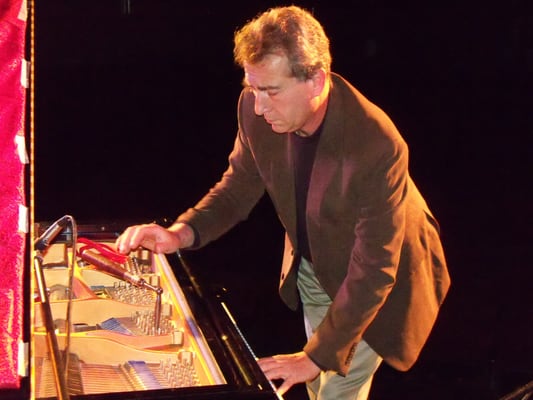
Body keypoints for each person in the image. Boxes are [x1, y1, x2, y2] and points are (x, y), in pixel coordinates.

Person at [116, 6, 450, 400]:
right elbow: (239, 185)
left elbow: (375, 268)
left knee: (333, 387)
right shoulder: (256, 110)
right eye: (253, 88)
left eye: (271, 91)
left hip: (378, 280)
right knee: (316, 377)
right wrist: (181, 233)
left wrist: (317, 355)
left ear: (315, 80)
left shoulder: (377, 144)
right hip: (315, 262)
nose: (258, 106)